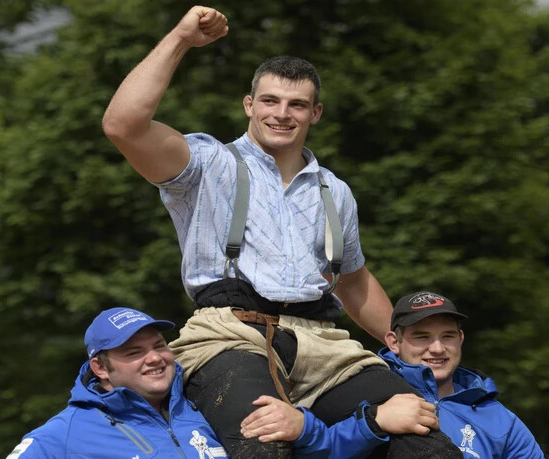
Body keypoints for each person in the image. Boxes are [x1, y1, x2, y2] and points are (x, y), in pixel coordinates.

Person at [101, 5, 461, 458]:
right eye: (270, 101)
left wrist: (398, 341)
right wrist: (181, 39)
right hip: (230, 334)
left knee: (427, 443)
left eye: (297, 105)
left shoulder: (336, 190)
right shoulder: (208, 164)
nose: (281, 114)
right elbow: (122, 125)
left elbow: (353, 279)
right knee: (264, 443)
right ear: (249, 105)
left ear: (316, 113)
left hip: (326, 342)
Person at [5, 307, 406, 459]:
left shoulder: (207, 401)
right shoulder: (66, 433)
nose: (155, 358)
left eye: (159, 345)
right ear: (101, 368)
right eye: (133, 353)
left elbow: (317, 451)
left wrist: (369, 424)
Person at [379, 291, 545, 458]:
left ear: (461, 339)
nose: (438, 349)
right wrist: (372, 424)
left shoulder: (501, 421)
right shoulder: (367, 396)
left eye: (448, 336)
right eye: (422, 337)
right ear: (394, 342)